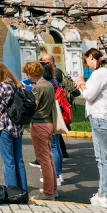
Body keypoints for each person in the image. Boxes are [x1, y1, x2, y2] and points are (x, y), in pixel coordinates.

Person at [76, 48, 107, 208]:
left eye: (86, 60)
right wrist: (82, 86)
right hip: (100, 118)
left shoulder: (99, 74)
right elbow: (91, 93)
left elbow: (88, 95)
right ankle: (102, 195)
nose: (87, 64)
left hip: (101, 119)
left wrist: (81, 83)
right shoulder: (105, 73)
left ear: (91, 57)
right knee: (102, 159)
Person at [0, 61, 27, 191]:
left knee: (8, 160)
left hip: (5, 125)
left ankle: (12, 190)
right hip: (17, 125)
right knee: (18, 159)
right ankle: (23, 189)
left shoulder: (2, 86)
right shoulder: (16, 84)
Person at [25, 60, 57, 201]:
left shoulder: (38, 87)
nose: (26, 75)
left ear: (31, 73)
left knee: (43, 159)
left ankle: (47, 192)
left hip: (38, 124)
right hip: (48, 122)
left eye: (27, 72)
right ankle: (53, 188)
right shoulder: (49, 85)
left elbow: (33, 106)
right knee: (48, 158)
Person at [39, 54, 64, 185]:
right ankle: (58, 174)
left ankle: (56, 175)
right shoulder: (54, 81)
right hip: (56, 115)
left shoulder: (48, 83)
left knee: (52, 147)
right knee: (56, 146)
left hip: (50, 116)